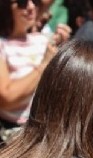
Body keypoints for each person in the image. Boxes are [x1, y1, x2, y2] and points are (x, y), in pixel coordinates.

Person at [0, 0, 70, 138]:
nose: (31, 7)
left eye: (35, 2)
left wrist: (64, 50)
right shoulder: (3, 45)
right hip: (12, 133)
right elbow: (7, 98)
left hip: (47, 129)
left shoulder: (41, 40)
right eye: (22, 3)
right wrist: (44, 64)